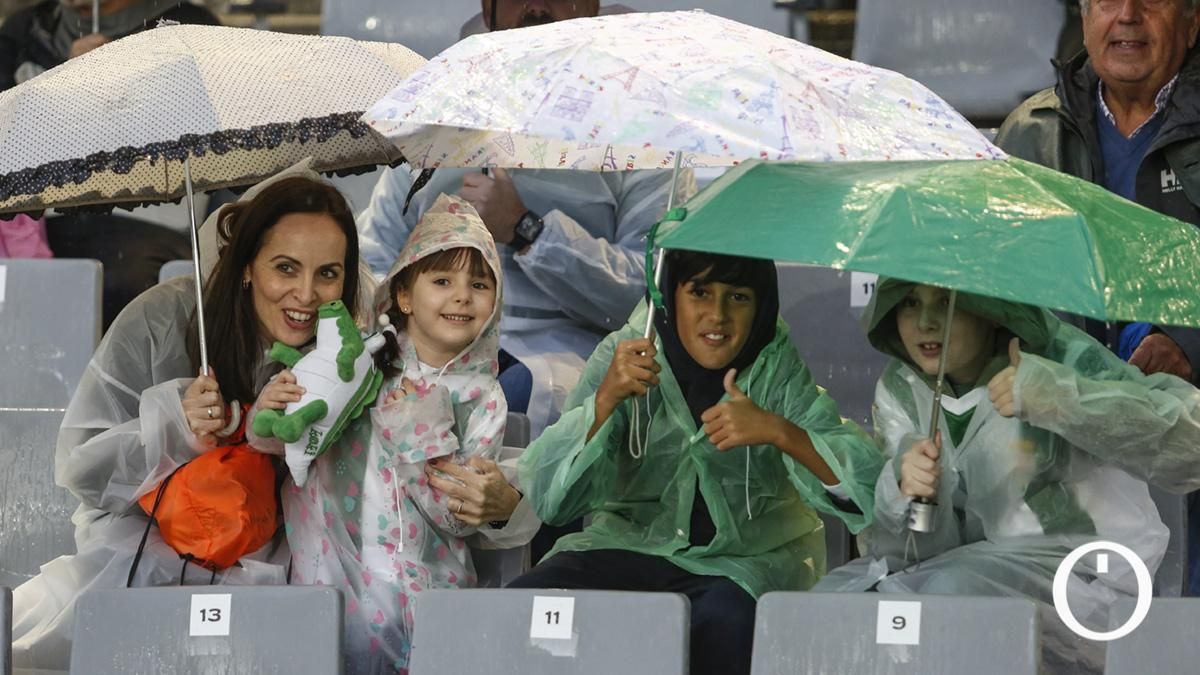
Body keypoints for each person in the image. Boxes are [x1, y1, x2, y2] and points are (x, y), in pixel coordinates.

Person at [9, 172, 360, 671]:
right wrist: (175, 427)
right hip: (141, 552)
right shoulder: (164, 317)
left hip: (276, 565)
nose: (305, 294)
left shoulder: (348, 355)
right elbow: (85, 474)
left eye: (327, 273)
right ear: (247, 267)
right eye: (285, 268)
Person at [508, 250, 883, 675]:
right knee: (529, 604)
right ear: (669, 296)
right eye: (699, 292)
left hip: (741, 563)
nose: (717, 315)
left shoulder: (775, 366)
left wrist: (780, 432)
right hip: (626, 547)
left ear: (761, 305)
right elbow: (552, 500)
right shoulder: (627, 354)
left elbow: (869, 495)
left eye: (738, 297)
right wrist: (604, 402)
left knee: (727, 620)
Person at [812, 280, 1198, 672]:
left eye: (947, 302)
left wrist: (1065, 400)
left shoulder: (1059, 357)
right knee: (833, 607)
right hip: (964, 567)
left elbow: (1189, 445)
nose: (926, 322)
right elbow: (911, 552)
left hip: (1086, 574)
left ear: (989, 305)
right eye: (910, 302)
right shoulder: (902, 388)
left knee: (955, 599)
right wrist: (905, 492)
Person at [357, 0, 691, 438]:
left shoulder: (643, 131)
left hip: (567, 362)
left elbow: (655, 293)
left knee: (517, 403)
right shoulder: (436, 115)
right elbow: (373, 261)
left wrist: (527, 230)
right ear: (487, 6)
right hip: (427, 352)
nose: (536, 6)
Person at [279, 195, 537, 675]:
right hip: (328, 568)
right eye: (442, 280)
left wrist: (421, 437)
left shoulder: (484, 398)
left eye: (479, 284)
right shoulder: (365, 365)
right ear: (402, 296)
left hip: (423, 588)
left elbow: (462, 520)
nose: (462, 296)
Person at [995, 0, 1200, 591]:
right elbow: (995, 285)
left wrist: (1188, 343)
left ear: (1192, 19)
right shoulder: (1029, 134)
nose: (1128, 15)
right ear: (1084, 16)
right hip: (1058, 429)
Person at [0, 0, 220, 328]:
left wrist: (117, 80)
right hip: (36, 229)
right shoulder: (23, 34)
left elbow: (207, 136)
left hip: (148, 224)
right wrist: (61, 83)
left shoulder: (188, 27)